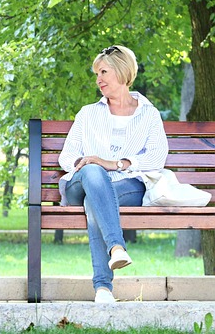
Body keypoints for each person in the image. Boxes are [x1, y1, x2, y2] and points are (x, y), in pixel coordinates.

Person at [58, 45, 168, 303]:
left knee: (95, 200)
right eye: (97, 74)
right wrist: (89, 164)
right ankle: (116, 246)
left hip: (127, 185)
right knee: (93, 174)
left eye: (104, 72)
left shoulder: (149, 115)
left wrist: (115, 164)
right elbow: (67, 156)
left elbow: (157, 157)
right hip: (81, 183)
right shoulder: (88, 113)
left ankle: (103, 289)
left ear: (122, 71)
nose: (98, 79)